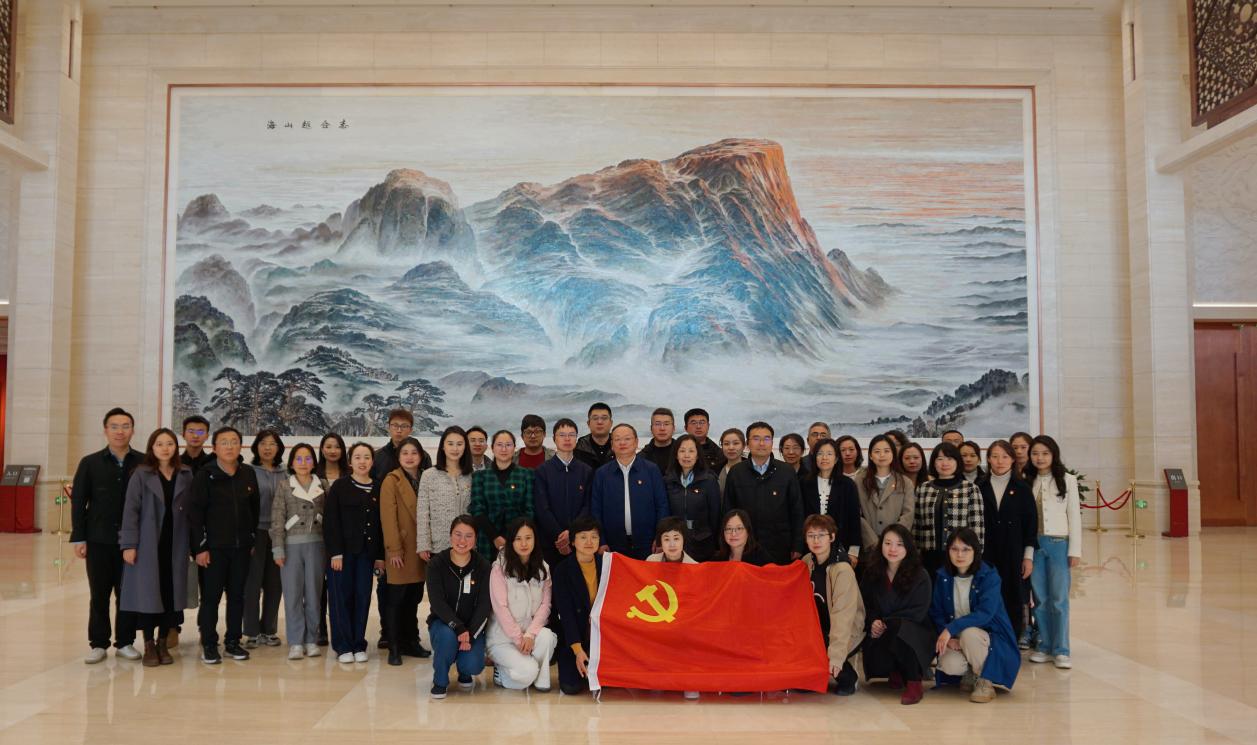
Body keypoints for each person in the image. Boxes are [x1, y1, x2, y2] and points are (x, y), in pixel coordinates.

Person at [71, 407, 143, 664]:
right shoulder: (90, 463)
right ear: (105, 430)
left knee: (127, 594)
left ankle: (125, 642)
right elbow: (79, 501)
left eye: (125, 426)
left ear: (132, 430)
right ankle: (98, 643)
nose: (120, 431)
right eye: (114, 426)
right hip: (98, 539)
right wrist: (79, 537)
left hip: (131, 541)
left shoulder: (143, 462)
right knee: (99, 594)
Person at [119, 428, 193, 667]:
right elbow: (130, 511)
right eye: (159, 444)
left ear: (176, 447)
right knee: (148, 594)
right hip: (148, 544)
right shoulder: (141, 474)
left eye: (169, 443)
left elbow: (193, 511)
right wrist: (129, 544)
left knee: (171, 594)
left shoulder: (185, 474)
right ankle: (149, 644)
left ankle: (163, 642)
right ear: (152, 448)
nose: (165, 448)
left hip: (176, 544)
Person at [188, 427, 260, 664]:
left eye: (234, 441)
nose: (229, 446)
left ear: (241, 445)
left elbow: (254, 509)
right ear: (215, 447)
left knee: (237, 596)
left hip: (241, 548)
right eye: (224, 442)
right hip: (213, 549)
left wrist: (251, 538)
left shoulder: (247, 473)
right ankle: (209, 643)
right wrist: (200, 548)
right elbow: (195, 514)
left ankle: (233, 642)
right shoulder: (205, 475)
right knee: (211, 598)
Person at [929, 528, 1020, 703]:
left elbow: (985, 614)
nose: (959, 554)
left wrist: (950, 629)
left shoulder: (989, 576)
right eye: (954, 549)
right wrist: (949, 636)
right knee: (949, 664)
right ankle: (971, 671)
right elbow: (936, 611)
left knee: (969, 633)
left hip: (990, 639)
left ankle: (985, 681)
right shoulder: (943, 576)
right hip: (958, 636)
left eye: (966, 549)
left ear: (975, 551)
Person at [323, 442, 385, 664]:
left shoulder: (379, 487)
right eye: (357, 457)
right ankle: (343, 646)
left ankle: (359, 643)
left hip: (367, 555)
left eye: (367, 457)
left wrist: (380, 556)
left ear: (372, 461)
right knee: (341, 598)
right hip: (343, 555)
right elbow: (331, 522)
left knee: (362, 597)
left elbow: (382, 525)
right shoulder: (340, 487)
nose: (362, 461)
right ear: (350, 461)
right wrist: (335, 553)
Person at [859, 524, 933, 705]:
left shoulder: (920, 575)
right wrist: (873, 621)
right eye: (888, 543)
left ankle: (914, 682)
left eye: (899, 544)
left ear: (908, 547)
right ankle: (896, 670)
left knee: (900, 629)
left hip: (914, 634)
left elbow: (918, 611)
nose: (892, 549)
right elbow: (864, 604)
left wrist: (887, 622)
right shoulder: (872, 572)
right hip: (882, 632)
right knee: (881, 642)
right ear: (881, 545)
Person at [1026, 435, 1082, 669]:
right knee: (1040, 598)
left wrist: (1075, 550)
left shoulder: (1067, 480)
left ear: (1053, 455)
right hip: (1034, 545)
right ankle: (1044, 645)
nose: (1040, 458)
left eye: (1045, 453)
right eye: (1035, 453)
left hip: (1059, 544)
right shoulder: (1026, 480)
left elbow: (1074, 515)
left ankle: (1061, 649)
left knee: (1059, 599)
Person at [269, 442, 327, 660]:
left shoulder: (322, 484)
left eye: (308, 458)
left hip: (317, 546)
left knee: (314, 594)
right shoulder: (284, 485)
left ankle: (311, 639)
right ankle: (295, 641)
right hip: (290, 547)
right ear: (292, 463)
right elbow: (277, 519)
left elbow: (331, 518)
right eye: (299, 459)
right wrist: (277, 549)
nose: (303, 463)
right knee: (292, 595)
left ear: (314, 462)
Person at [488, 518, 557, 692]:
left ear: (535, 539)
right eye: (518, 539)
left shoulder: (543, 568)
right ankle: (502, 672)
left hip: (528, 635)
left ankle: (540, 678)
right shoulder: (499, 568)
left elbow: (545, 605)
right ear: (511, 541)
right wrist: (519, 639)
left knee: (547, 637)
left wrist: (530, 635)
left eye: (528, 538)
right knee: (526, 674)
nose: (524, 544)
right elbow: (500, 608)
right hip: (503, 639)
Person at [427, 515, 492, 699]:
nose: (462, 541)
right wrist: (458, 627)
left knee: (473, 664)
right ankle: (440, 680)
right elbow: (437, 602)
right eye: (458, 534)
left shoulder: (483, 566)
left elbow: (484, 604)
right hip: (443, 624)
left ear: (475, 539)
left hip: (471, 627)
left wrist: (469, 633)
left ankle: (464, 671)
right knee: (447, 638)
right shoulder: (436, 564)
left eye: (468, 536)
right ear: (450, 536)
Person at [978, 440, 1037, 640]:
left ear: (1012, 459)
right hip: (986, 552)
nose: (1000, 461)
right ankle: (988, 638)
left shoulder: (1022, 487)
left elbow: (1031, 525)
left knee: (1013, 596)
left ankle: (1011, 639)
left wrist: (1028, 557)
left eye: (1005, 456)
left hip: (1014, 552)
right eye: (995, 456)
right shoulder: (979, 486)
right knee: (987, 594)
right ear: (988, 459)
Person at [380, 437, 431, 665]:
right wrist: (394, 549)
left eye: (414, 453)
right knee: (396, 599)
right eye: (405, 453)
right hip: (401, 549)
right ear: (398, 457)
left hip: (421, 548)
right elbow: (388, 518)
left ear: (421, 456)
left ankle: (411, 641)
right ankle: (394, 645)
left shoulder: (426, 478)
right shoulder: (392, 480)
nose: (409, 457)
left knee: (413, 598)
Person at [722, 422, 804, 564]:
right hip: (745, 545)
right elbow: (728, 511)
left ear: (772, 443)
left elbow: (797, 510)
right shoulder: (736, 472)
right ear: (747, 443)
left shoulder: (786, 471)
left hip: (780, 545)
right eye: (756, 438)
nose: (761, 443)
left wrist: (797, 544)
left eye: (766, 439)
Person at [802, 514, 865, 696]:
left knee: (822, 644)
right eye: (811, 535)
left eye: (821, 535)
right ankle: (811, 677)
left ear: (832, 537)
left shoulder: (842, 570)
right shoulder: (807, 561)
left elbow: (843, 616)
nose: (816, 540)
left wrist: (836, 656)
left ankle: (848, 677)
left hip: (845, 629)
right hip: (819, 626)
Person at [590, 424, 670, 559]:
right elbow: (596, 510)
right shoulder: (602, 474)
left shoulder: (651, 470)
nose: (622, 443)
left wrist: (660, 537)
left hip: (648, 544)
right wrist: (601, 541)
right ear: (612, 444)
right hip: (613, 545)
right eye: (617, 439)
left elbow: (662, 505)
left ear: (636, 442)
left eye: (627, 438)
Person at [913, 442, 986, 575]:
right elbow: (917, 524)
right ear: (934, 463)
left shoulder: (970, 488)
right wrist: (915, 553)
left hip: (959, 555)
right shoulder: (923, 488)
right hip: (929, 556)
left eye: (950, 459)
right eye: (940, 459)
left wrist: (976, 554)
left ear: (957, 462)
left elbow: (977, 526)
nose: (945, 463)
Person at [552, 515, 603, 695]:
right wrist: (578, 651)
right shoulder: (562, 570)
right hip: (574, 637)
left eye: (594, 536)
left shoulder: (607, 565)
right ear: (573, 541)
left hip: (601, 639)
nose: (589, 542)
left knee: (609, 684)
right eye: (583, 537)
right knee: (571, 687)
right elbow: (566, 614)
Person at [532, 418, 593, 568]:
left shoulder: (586, 471)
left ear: (576, 439)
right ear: (554, 438)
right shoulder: (542, 471)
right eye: (562, 435)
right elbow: (542, 509)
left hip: (578, 541)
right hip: (550, 543)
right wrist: (560, 537)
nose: (567, 439)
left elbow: (587, 506)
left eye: (571, 435)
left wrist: (571, 534)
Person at [244, 429, 285, 649]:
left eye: (272, 443)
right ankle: (251, 632)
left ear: (279, 448)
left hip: (279, 534)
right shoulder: (248, 471)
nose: (267, 448)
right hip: (256, 532)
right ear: (256, 447)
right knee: (252, 584)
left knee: (274, 584)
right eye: (263, 443)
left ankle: (269, 630)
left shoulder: (285, 473)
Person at [469, 430, 535, 558]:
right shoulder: (480, 476)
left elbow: (529, 511)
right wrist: (495, 537)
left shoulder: (526, 474)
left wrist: (509, 537)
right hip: (487, 539)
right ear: (492, 448)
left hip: (518, 539)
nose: (504, 449)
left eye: (508, 445)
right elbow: (477, 510)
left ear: (514, 448)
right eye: (499, 445)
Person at [662, 434, 722, 561]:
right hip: (675, 541)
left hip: (703, 540)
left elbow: (715, 514)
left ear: (697, 455)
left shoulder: (709, 480)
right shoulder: (668, 480)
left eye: (691, 451)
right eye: (682, 451)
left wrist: (715, 541)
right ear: (676, 455)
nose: (686, 455)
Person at [800, 439, 862, 564]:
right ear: (814, 458)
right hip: (810, 544)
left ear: (836, 458)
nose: (824, 458)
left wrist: (854, 551)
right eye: (820, 453)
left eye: (829, 454)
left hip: (840, 544)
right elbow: (798, 515)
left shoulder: (847, 484)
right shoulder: (804, 483)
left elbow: (854, 519)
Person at [856, 434, 916, 562]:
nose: (882, 455)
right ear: (870, 456)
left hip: (896, 547)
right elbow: (856, 514)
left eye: (886, 451)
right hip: (869, 546)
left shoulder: (905, 482)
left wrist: (892, 541)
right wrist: (873, 541)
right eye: (877, 451)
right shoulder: (860, 481)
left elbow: (908, 514)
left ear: (893, 454)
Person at [417, 426, 474, 559]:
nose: (455, 448)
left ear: (465, 447)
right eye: (450, 444)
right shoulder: (429, 475)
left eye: (459, 444)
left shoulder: (472, 476)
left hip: (467, 544)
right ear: (443, 446)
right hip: (438, 545)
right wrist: (423, 544)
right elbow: (422, 512)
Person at [314, 431, 347, 645]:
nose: (333, 450)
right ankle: (320, 629)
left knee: (339, 586)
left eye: (337, 446)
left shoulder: (349, 473)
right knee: (318, 584)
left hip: (344, 537)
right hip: (316, 536)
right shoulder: (313, 475)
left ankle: (340, 628)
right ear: (322, 449)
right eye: (328, 446)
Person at [373, 408, 423, 480]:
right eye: (395, 425)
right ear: (389, 428)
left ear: (411, 430)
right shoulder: (377, 456)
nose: (399, 430)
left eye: (404, 426)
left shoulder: (422, 456)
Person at [683, 408, 725, 473]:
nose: (698, 426)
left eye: (702, 422)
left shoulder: (719, 453)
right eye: (693, 423)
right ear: (686, 428)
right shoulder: (676, 449)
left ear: (708, 426)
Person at [574, 403, 614, 469]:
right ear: (588, 423)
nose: (600, 422)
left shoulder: (620, 445)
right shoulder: (580, 447)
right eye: (595, 418)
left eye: (604, 418)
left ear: (611, 423)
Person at [638, 407, 676, 474]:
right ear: (651, 428)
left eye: (666, 424)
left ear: (673, 428)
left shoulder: (683, 453)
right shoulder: (641, 458)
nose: (662, 428)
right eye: (657, 424)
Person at [717, 428, 745, 494]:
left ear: (743, 446)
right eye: (726, 444)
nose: (731, 448)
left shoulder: (753, 470)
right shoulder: (715, 471)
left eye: (736, 443)